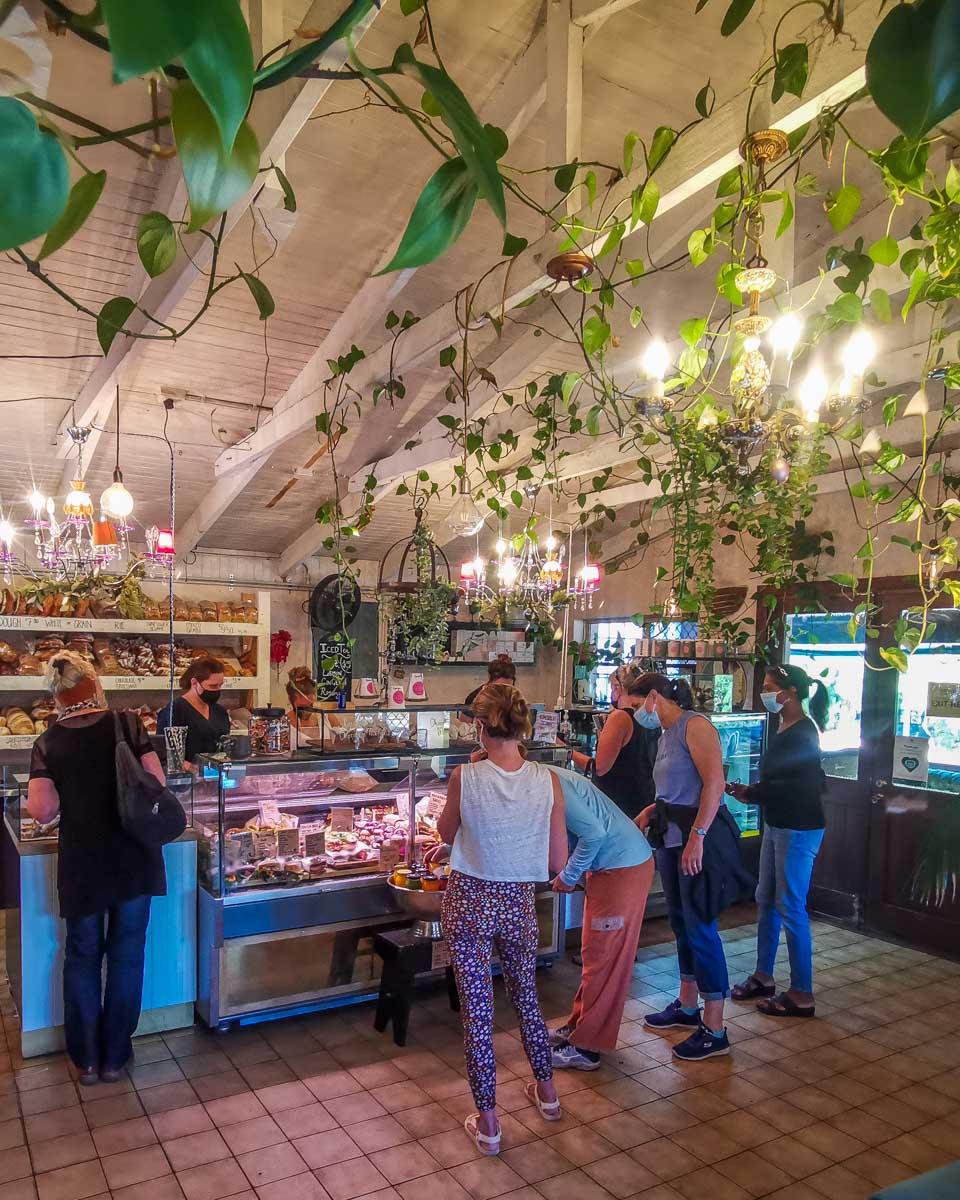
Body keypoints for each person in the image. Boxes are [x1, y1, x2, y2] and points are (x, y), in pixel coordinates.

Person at [429, 683, 568, 1155]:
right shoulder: (546, 779)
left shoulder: (465, 777)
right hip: (518, 903)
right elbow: (557, 858)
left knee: (478, 1012)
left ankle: (489, 1124)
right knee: (527, 998)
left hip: (468, 900)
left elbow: (446, 833)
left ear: (480, 725)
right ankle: (547, 1095)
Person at [26, 652, 169, 1085]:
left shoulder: (48, 742)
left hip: (84, 861)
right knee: (126, 957)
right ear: (94, 685)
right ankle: (114, 1057)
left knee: (83, 957)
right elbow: (156, 783)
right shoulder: (127, 724)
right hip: (134, 857)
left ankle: (85, 1060)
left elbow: (42, 811)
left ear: (57, 695)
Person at [634, 672, 752, 1061]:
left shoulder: (695, 726)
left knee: (701, 927)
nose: (637, 715)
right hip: (671, 836)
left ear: (653, 696)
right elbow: (674, 789)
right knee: (680, 923)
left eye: (636, 706)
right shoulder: (665, 733)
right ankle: (688, 1006)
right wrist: (653, 810)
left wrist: (698, 836)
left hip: (696, 838)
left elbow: (714, 785)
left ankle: (715, 1027)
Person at [729, 664, 829, 1017]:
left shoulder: (803, 732)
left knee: (791, 906)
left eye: (771, 687)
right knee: (766, 899)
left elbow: (794, 785)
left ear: (791, 692)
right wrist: (751, 793)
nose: (766, 693)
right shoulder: (782, 726)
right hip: (777, 823)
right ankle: (763, 975)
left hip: (798, 828)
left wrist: (753, 793)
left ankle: (802, 992)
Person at [548, 766, 655, 1070]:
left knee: (604, 958)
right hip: (613, 866)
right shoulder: (544, 777)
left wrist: (569, 875)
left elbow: (594, 834)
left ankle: (587, 1047)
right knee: (595, 953)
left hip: (622, 868)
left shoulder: (550, 784)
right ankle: (580, 1027)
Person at [570, 662, 659, 819]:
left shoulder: (620, 717)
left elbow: (599, 768)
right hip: (645, 800)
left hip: (619, 805)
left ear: (619, 688)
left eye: (612, 688)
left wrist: (568, 752)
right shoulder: (652, 718)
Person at [157, 657, 229, 765]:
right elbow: (166, 754)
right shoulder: (175, 711)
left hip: (216, 777)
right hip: (188, 778)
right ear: (194, 683)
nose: (217, 690)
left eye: (220, 685)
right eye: (213, 686)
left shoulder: (220, 712)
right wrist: (192, 769)